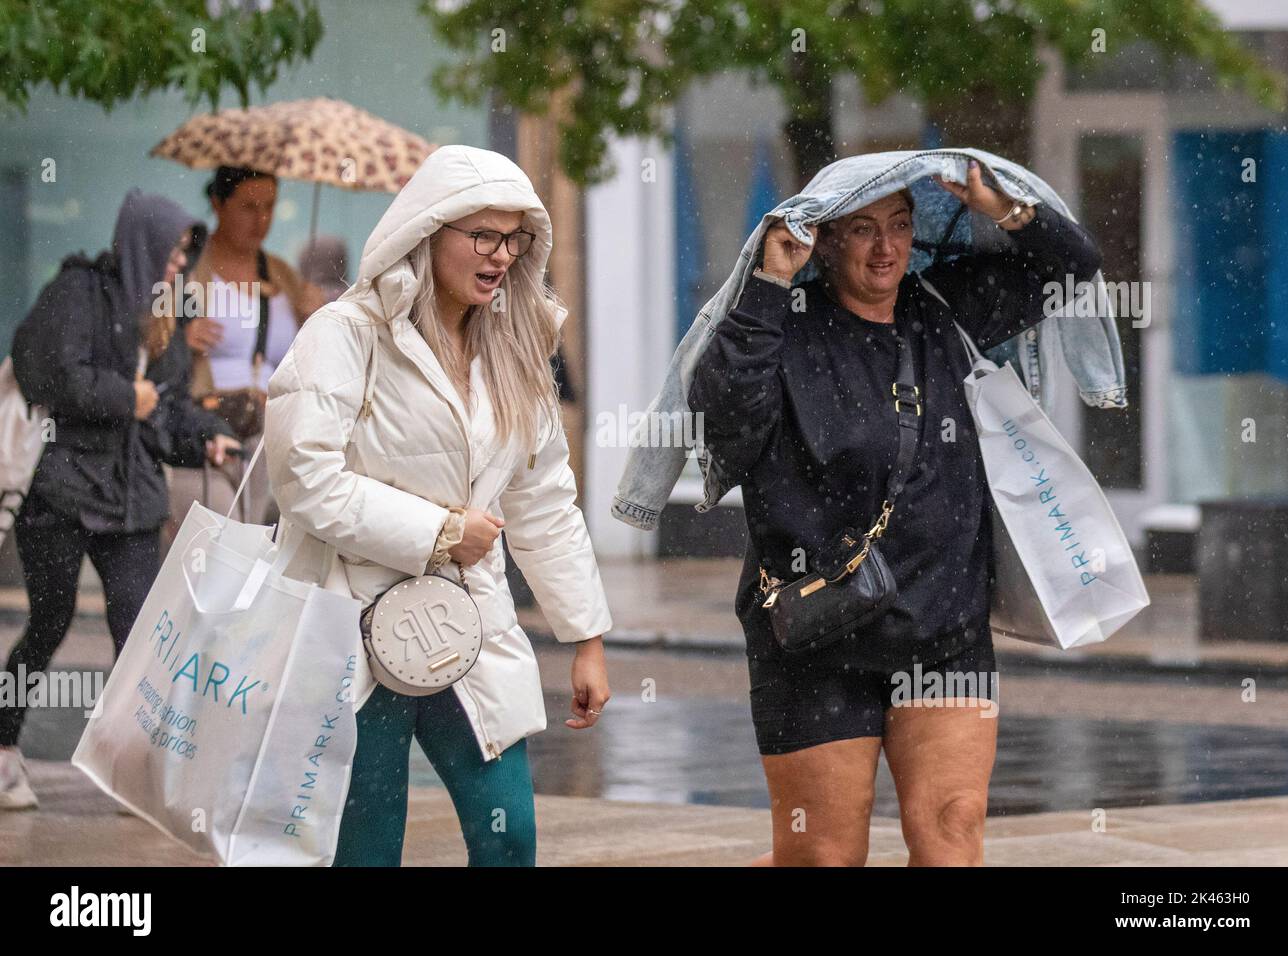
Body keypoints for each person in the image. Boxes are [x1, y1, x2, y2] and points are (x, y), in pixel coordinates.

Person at [688, 160, 1103, 866]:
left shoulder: (941, 306)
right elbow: (721, 417)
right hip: (815, 634)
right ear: (824, 241)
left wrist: (1003, 207)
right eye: (862, 230)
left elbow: (1073, 268)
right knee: (822, 855)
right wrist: (767, 285)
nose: (885, 249)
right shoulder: (784, 327)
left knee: (952, 835)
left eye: (900, 227)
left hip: (944, 632)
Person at [263, 145, 613, 867]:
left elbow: (545, 499)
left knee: (509, 835)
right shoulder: (345, 334)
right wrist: (442, 532)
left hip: (467, 631)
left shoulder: (516, 347)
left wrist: (586, 636)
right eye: (482, 235)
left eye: (514, 238)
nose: (500, 255)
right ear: (427, 232)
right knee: (367, 851)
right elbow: (301, 477)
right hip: (352, 628)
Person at [0, 191, 240, 809]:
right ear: (142, 245)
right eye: (171, 252)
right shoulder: (78, 292)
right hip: (61, 493)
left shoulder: (166, 315)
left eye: (185, 255)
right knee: (49, 623)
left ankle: (136, 763)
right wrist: (121, 397)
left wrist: (204, 438)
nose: (178, 265)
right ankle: (2, 748)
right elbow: (45, 369)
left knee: (139, 631)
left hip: (131, 496)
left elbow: (166, 412)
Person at [164, 166, 324, 542]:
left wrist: (315, 318)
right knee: (224, 536)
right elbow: (150, 342)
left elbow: (311, 361)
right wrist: (180, 338)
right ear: (218, 204)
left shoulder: (283, 275)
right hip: (206, 427)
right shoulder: (188, 271)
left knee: (254, 538)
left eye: (269, 206)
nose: (262, 219)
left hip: (270, 435)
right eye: (249, 207)